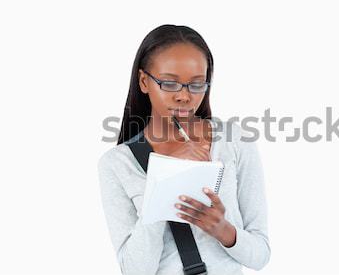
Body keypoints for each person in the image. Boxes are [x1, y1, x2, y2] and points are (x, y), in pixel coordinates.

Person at [97, 24, 270, 274]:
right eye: (169, 83)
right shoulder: (117, 163)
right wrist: (166, 178)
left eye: (197, 84)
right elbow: (134, 270)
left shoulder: (234, 141)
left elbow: (260, 255)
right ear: (144, 81)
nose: (184, 96)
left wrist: (224, 231)